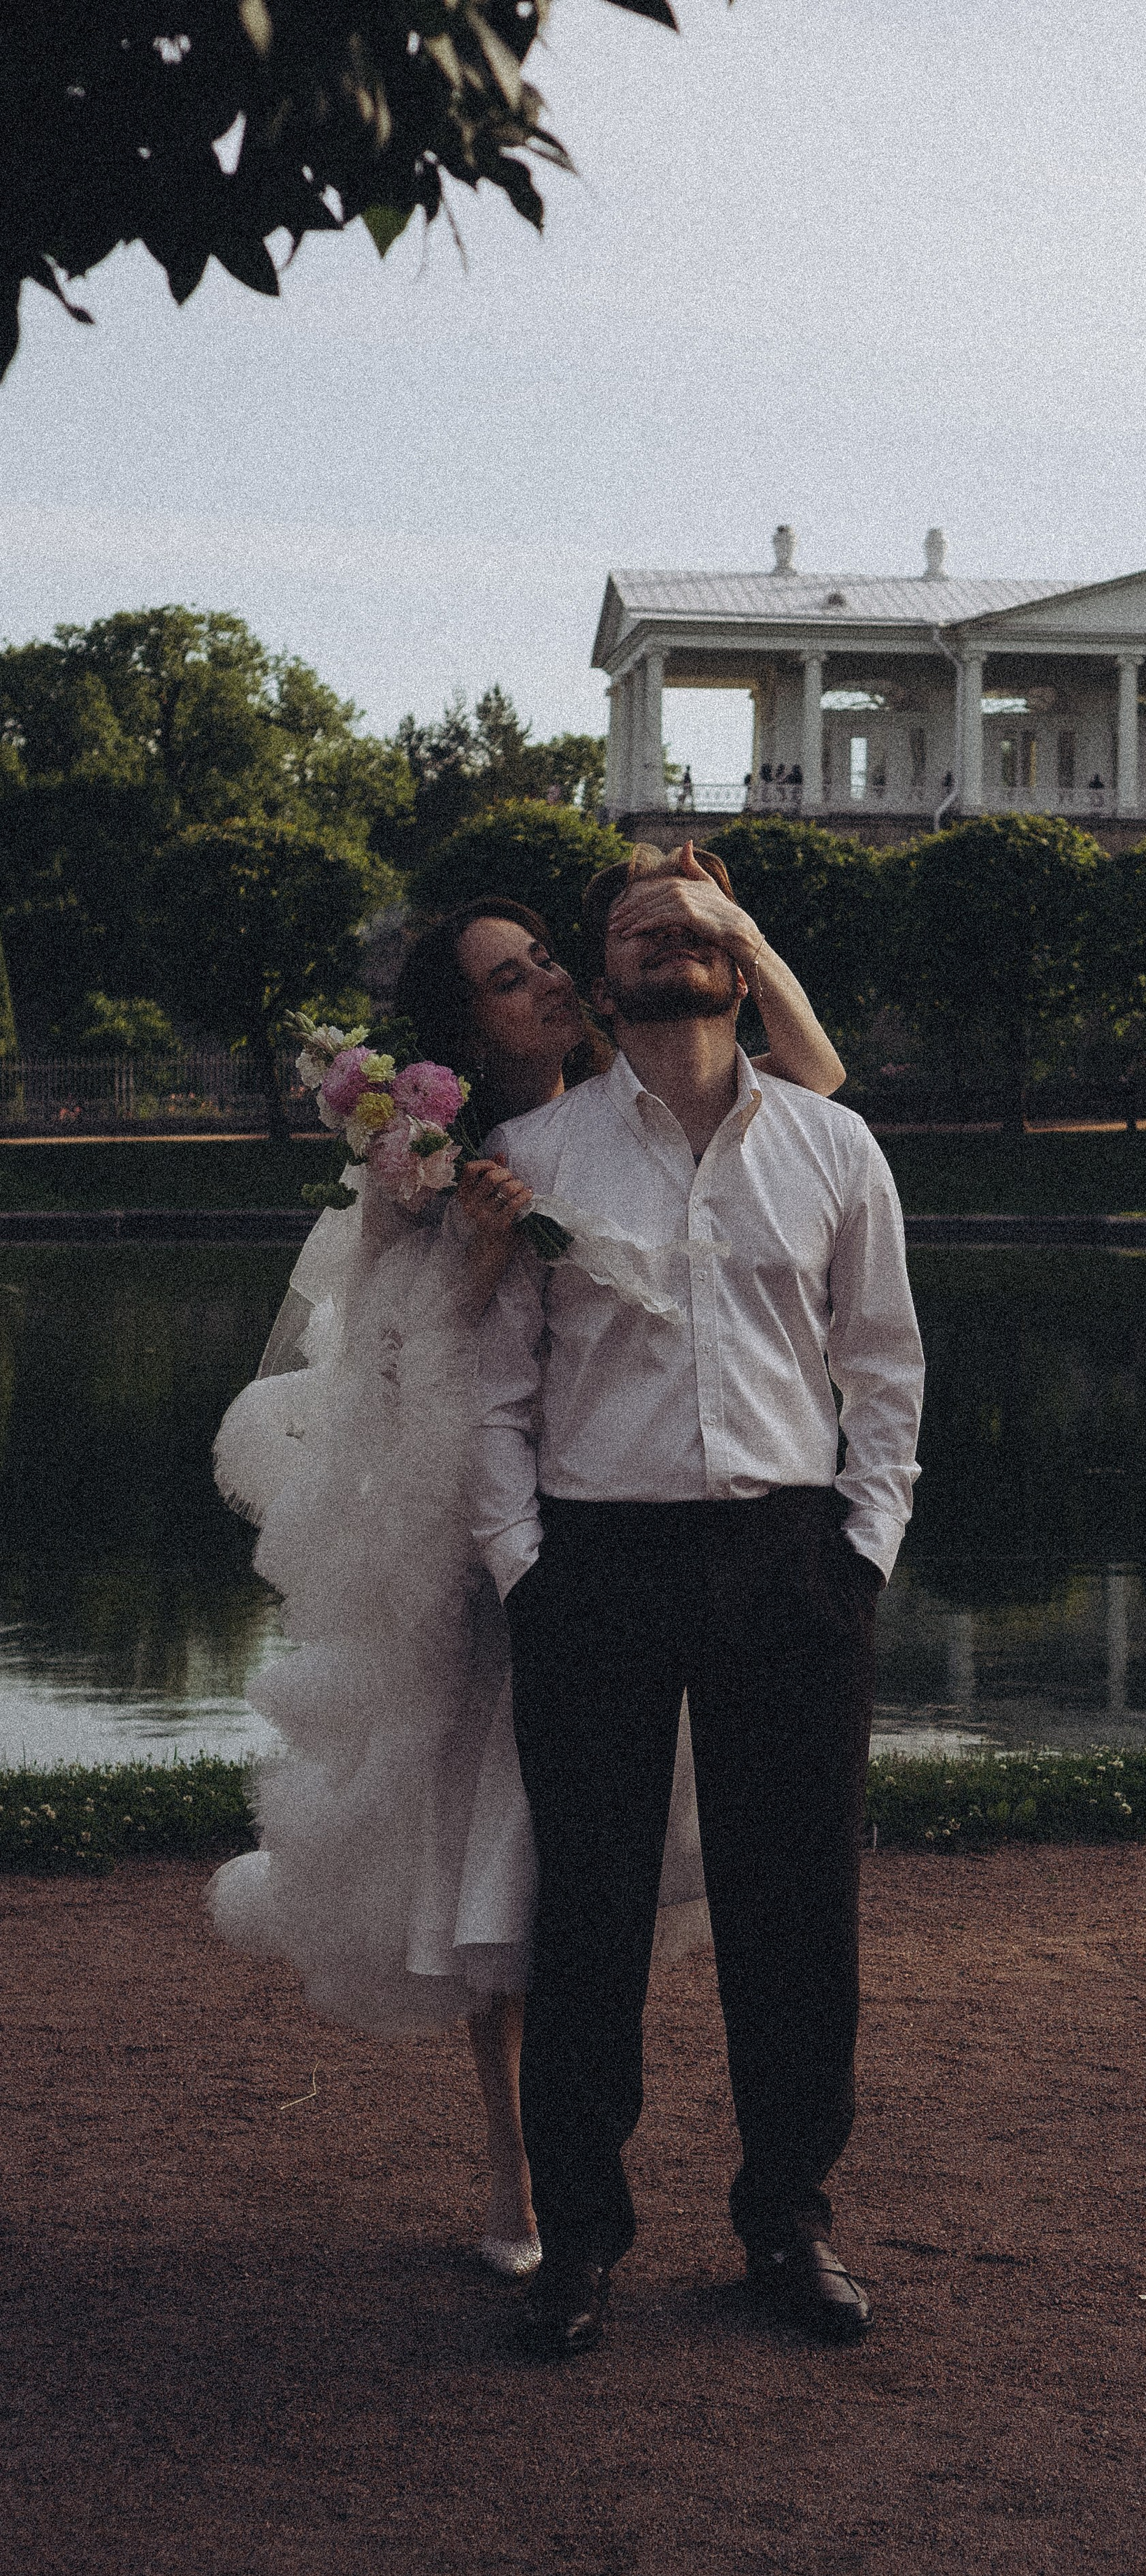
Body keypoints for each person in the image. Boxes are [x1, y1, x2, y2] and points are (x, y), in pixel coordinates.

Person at [210, 848, 848, 2282]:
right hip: (505, 1548)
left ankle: (702, 2190)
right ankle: (522, 2178)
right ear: (469, 1028)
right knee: (495, 1863)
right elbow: (399, 1359)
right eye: (512, 979)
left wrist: (733, 924)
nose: (549, 982)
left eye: (546, 958)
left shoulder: (662, 1109)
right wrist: (487, 1259)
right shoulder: (428, 1171)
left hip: (660, 1536)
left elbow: (815, 1077)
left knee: (633, 1868)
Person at [474, 843, 925, 2356]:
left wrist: (860, 1546)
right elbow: (496, 1390)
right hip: (593, 1563)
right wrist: (522, 1565)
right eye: (635, 927)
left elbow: (882, 1367)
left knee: (797, 1910)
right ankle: (580, 2245)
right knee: (587, 1914)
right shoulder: (537, 1165)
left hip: (789, 1560)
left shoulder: (831, 1149)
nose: (667, 942)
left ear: (742, 961)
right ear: (600, 980)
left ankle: (787, 2225)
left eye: (696, 922)